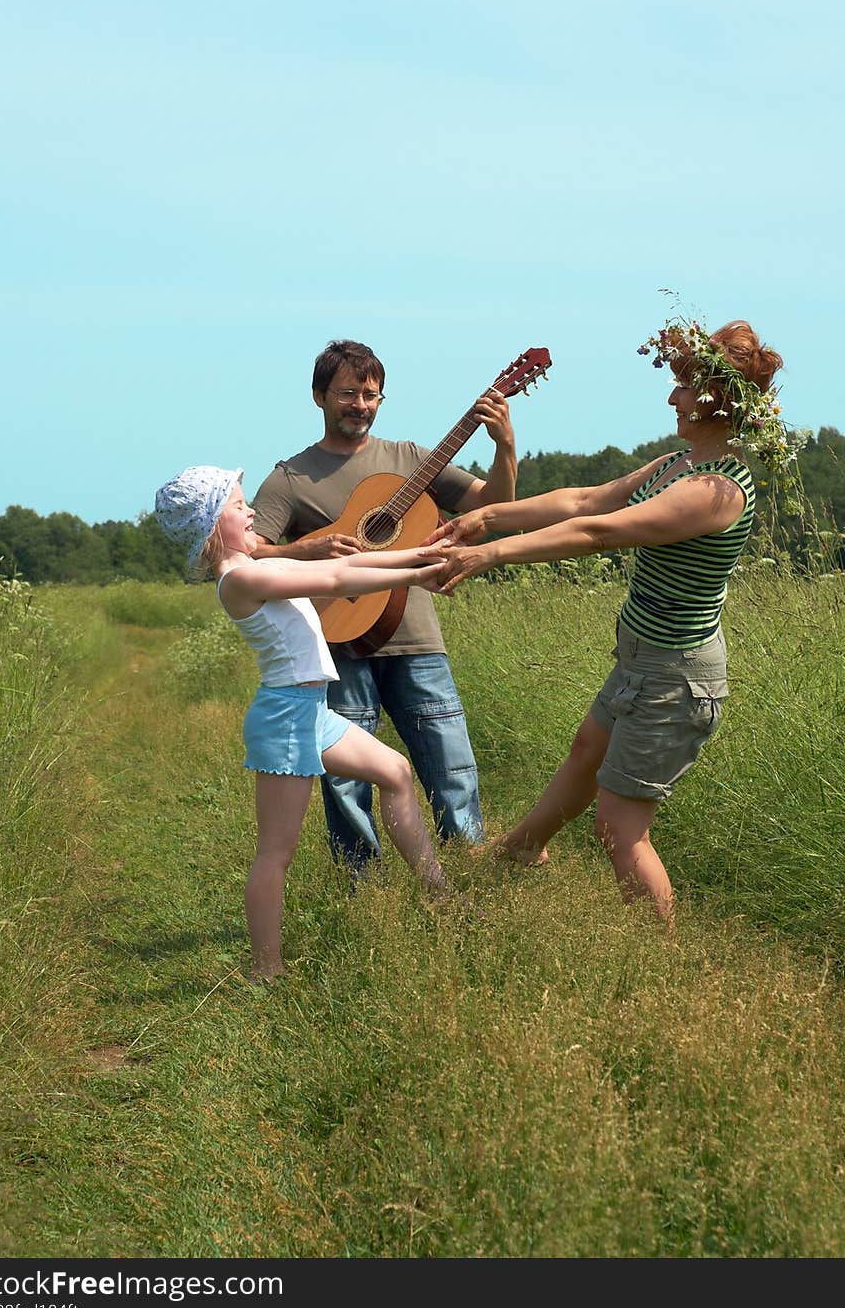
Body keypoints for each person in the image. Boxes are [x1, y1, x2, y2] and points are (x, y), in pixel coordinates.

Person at [421, 319, 790, 923]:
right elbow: (586, 501)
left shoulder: (717, 491)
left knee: (619, 830)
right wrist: (489, 518)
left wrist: (488, 554)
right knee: (585, 751)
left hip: (676, 677)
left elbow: (597, 533)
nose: (672, 396)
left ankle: (660, 964)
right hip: (643, 657)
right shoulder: (676, 463)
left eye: (683, 386)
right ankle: (520, 851)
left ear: (715, 398)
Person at [154, 465, 448, 982]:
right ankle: (266, 971)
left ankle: (438, 896)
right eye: (238, 504)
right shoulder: (242, 577)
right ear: (209, 526)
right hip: (287, 718)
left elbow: (339, 574)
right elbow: (336, 578)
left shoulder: (258, 569)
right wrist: (419, 572)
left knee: (397, 773)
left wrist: (422, 555)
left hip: (311, 711)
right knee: (275, 852)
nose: (250, 512)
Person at [249, 338, 518, 873]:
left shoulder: (411, 460)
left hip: (417, 643)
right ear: (319, 397)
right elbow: (247, 551)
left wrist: (505, 445)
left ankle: (467, 881)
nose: (361, 405)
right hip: (338, 645)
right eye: (348, 393)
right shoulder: (291, 477)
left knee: (452, 768)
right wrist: (304, 549)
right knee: (346, 783)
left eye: (372, 395)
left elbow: (495, 508)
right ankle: (362, 893)